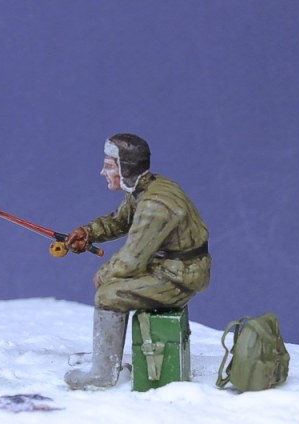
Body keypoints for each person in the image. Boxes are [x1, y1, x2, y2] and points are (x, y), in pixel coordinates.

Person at [63, 133, 212, 390]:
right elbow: (121, 221)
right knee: (113, 287)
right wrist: (89, 233)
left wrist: (104, 274)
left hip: (179, 277)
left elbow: (132, 260)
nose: (103, 172)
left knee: (108, 295)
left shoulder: (155, 204)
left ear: (126, 168)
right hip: (169, 267)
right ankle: (107, 358)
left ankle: (102, 374)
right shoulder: (146, 189)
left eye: (109, 166)